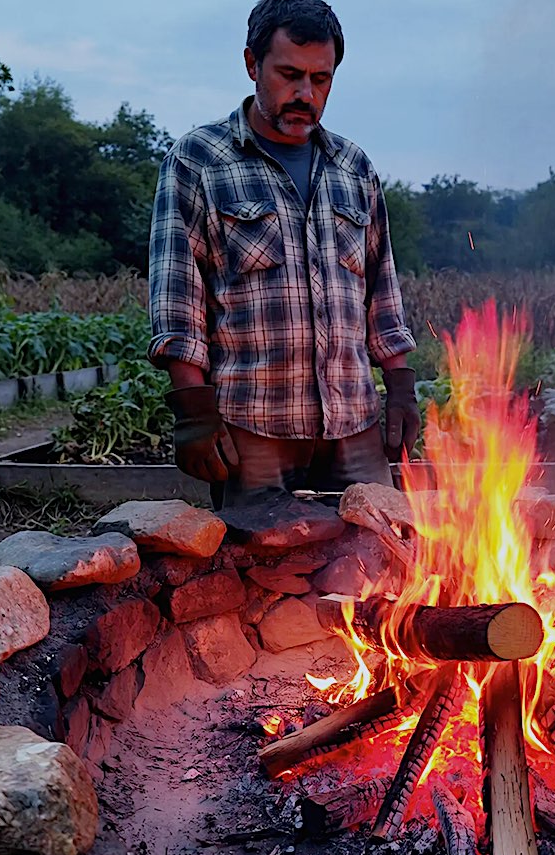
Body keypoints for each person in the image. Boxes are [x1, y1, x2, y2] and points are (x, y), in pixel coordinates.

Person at [147, 0, 420, 509]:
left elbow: (382, 288)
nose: (305, 94)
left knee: (381, 561)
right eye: (289, 74)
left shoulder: (353, 167)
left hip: (353, 421)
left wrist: (400, 386)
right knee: (262, 570)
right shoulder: (199, 161)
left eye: (321, 79)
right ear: (252, 64)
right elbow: (178, 297)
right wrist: (193, 410)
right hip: (252, 425)